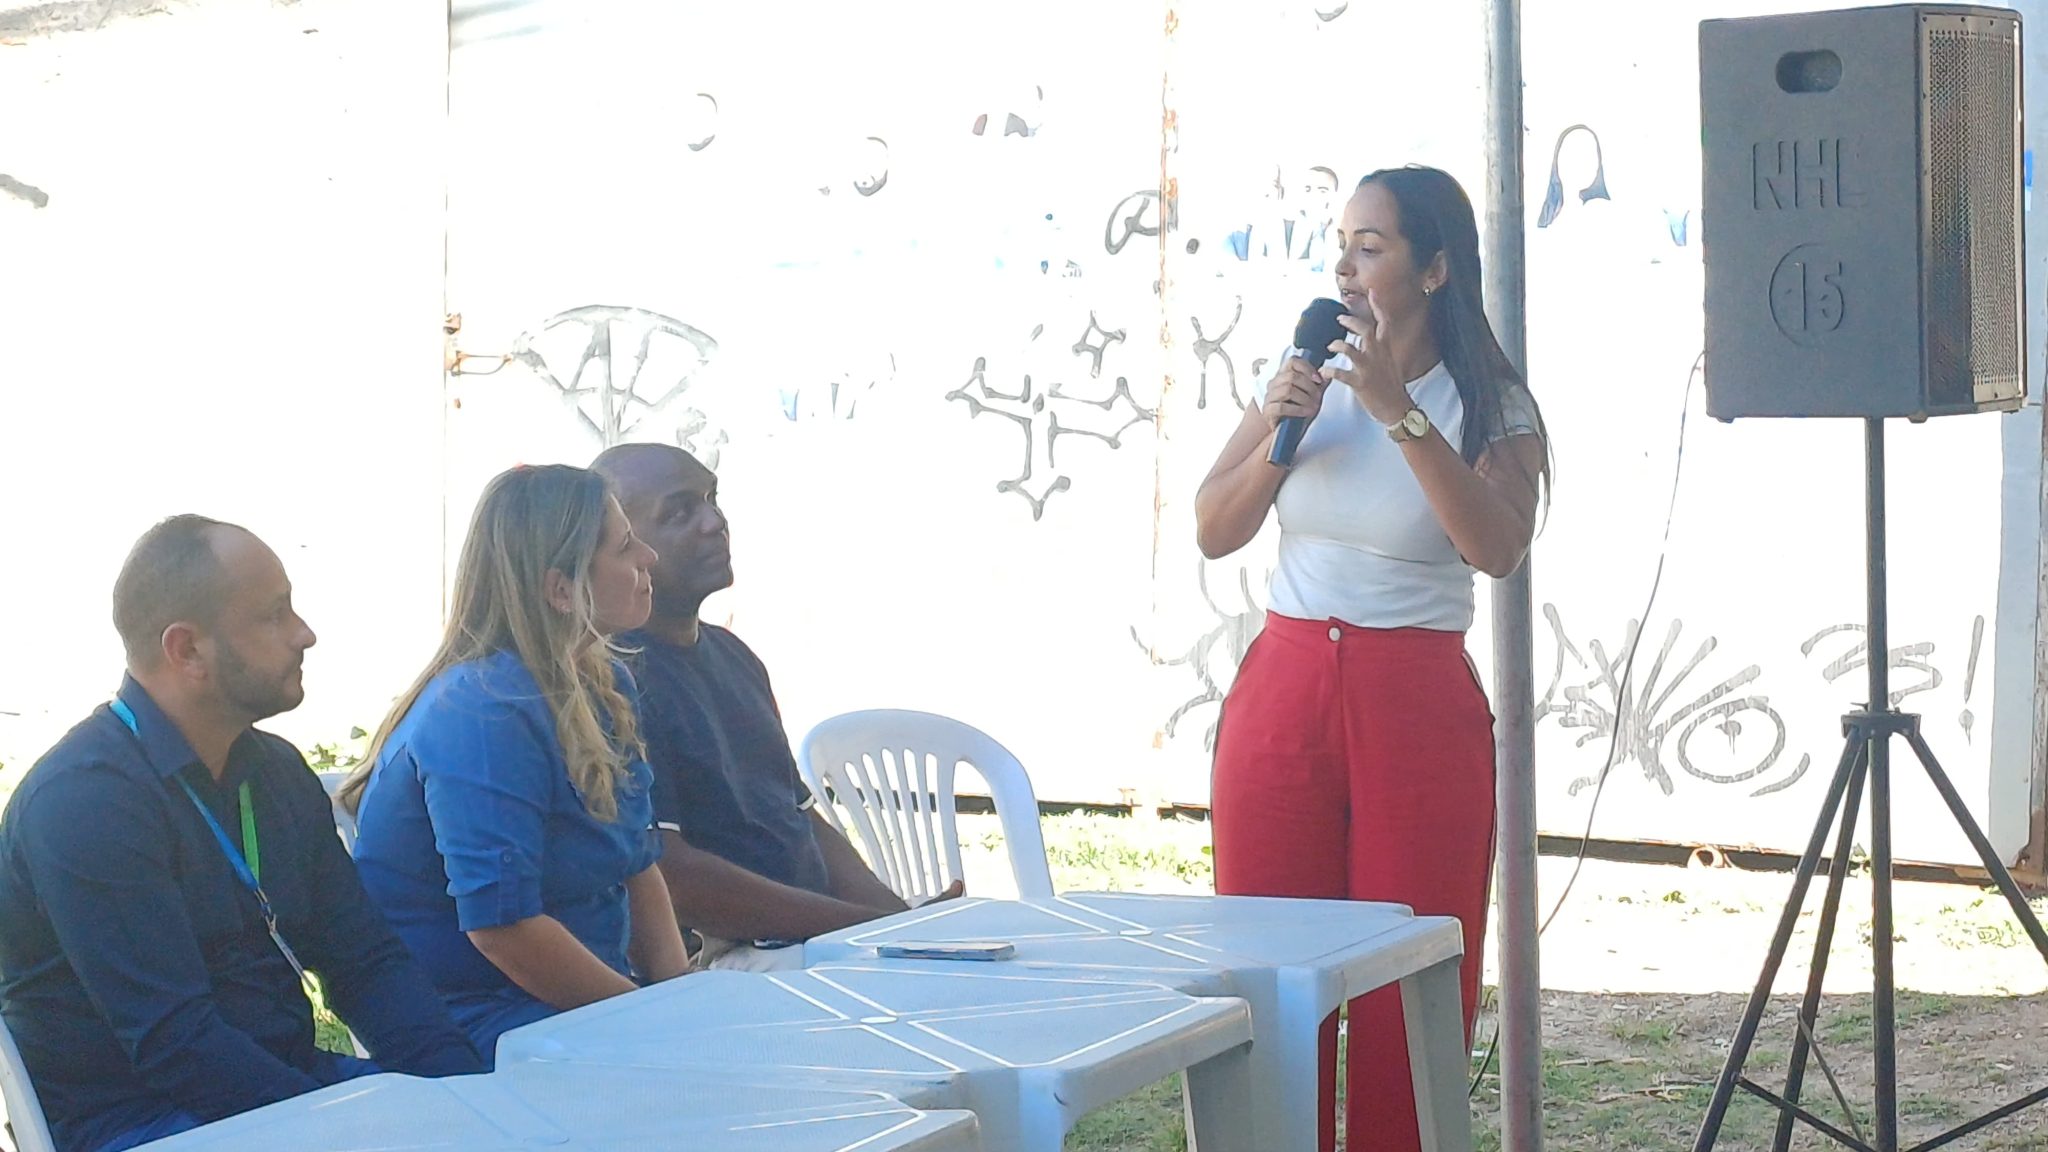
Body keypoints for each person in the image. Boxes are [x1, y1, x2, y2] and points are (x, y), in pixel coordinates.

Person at [1194, 164, 1550, 1152]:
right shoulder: (1303, 374)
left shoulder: (1488, 402)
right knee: (1269, 972)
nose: (1345, 269)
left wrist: (1400, 413)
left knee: (1407, 980)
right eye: (1340, 246)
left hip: (1415, 704)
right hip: (1284, 689)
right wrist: (1279, 427)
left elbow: (1496, 547)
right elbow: (1213, 527)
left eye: (1370, 246)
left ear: (1433, 269)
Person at [0, 516, 483, 1152]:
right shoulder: (84, 803)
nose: (305, 634)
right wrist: (344, 1129)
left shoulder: (275, 771)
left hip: (285, 1088)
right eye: (273, 615)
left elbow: (365, 961)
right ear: (186, 650)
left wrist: (466, 1094)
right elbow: (176, 1043)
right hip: (139, 1123)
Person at [339, 464, 691, 1058]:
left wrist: (684, 1002)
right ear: (561, 590)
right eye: (625, 545)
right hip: (474, 1020)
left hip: (582, 1007)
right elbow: (504, 930)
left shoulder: (603, 683)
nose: (648, 557)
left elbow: (639, 866)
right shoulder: (484, 710)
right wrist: (652, 1023)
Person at [591, 443, 955, 973]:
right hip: (723, 961)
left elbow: (801, 819)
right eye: (679, 512)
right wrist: (859, 930)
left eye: (712, 499)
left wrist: (899, 924)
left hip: (811, 942)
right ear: (626, 546)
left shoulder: (734, 656)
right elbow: (675, 879)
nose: (714, 523)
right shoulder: (613, 680)